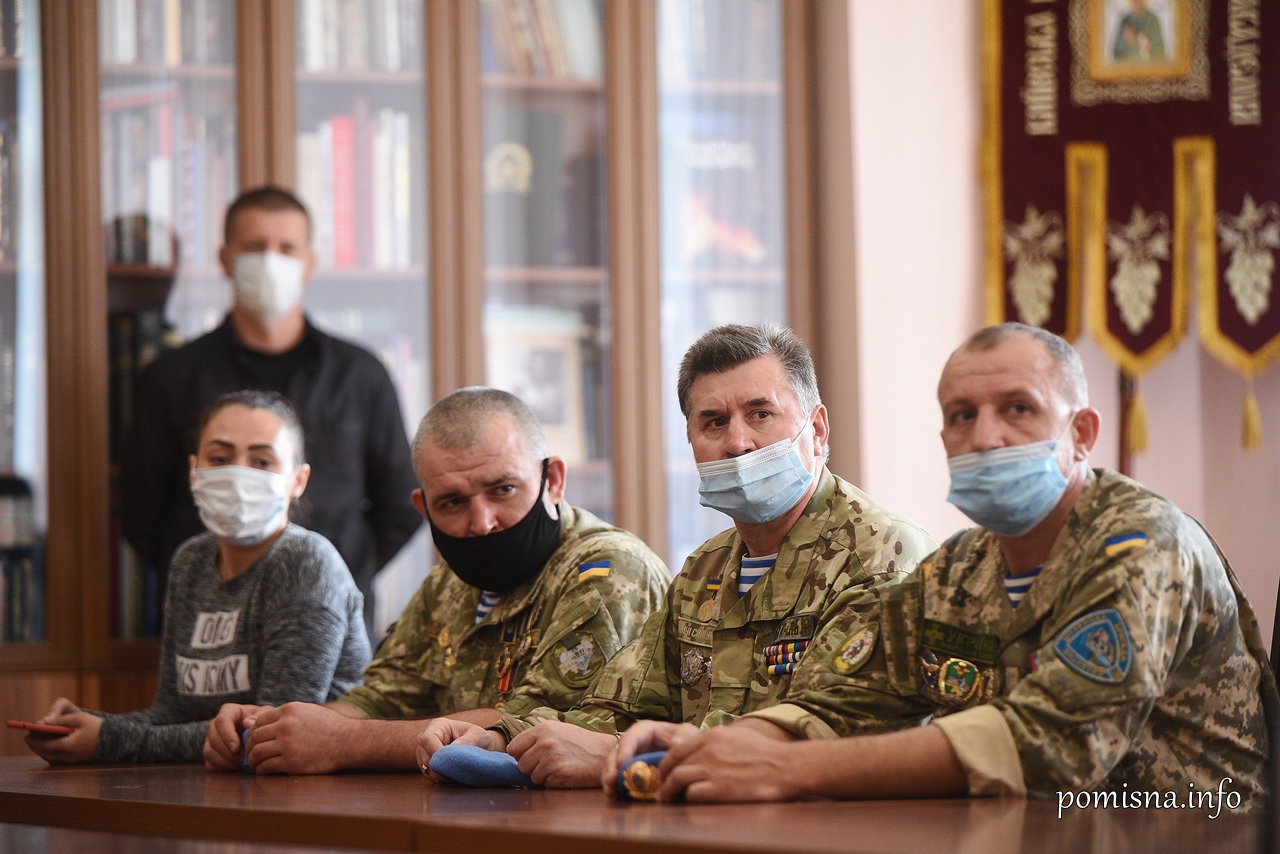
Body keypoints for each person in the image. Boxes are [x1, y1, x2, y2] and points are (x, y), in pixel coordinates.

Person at [615, 322, 1278, 810]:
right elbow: (846, 693)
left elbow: (1047, 741)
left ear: (1080, 434)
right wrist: (732, 744)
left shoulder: (1142, 545)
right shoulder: (961, 568)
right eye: (963, 416)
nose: (985, 437)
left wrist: (787, 768)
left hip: (1192, 832)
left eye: (1018, 409)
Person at [418, 323, 938, 788]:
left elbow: (832, 725)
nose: (737, 443)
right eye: (713, 422)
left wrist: (617, 755)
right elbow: (620, 704)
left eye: (761, 414)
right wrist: (503, 737)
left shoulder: (881, 553)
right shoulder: (705, 569)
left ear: (817, 429)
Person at [204, 387, 671, 774]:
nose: (481, 522)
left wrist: (345, 742)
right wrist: (274, 726)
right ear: (423, 508)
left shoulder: (608, 572)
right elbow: (382, 698)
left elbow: (530, 724)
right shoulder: (446, 584)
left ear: (552, 481)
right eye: (452, 502)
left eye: (503, 489)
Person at [119, 186, 422, 641]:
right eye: (255, 247)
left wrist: (341, 571)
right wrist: (204, 575)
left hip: (333, 626)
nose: (271, 262)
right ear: (225, 259)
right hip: (207, 626)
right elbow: (140, 511)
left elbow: (403, 503)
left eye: (287, 249)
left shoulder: (362, 375)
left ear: (310, 263)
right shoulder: (172, 376)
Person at [26, 391, 370, 764]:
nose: (238, 475)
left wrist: (107, 739)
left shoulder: (305, 562)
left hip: (306, 786)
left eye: (262, 461)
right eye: (220, 459)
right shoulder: (191, 561)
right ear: (194, 470)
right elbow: (171, 714)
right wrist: (87, 725)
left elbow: (269, 731)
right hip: (213, 782)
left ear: (298, 481)